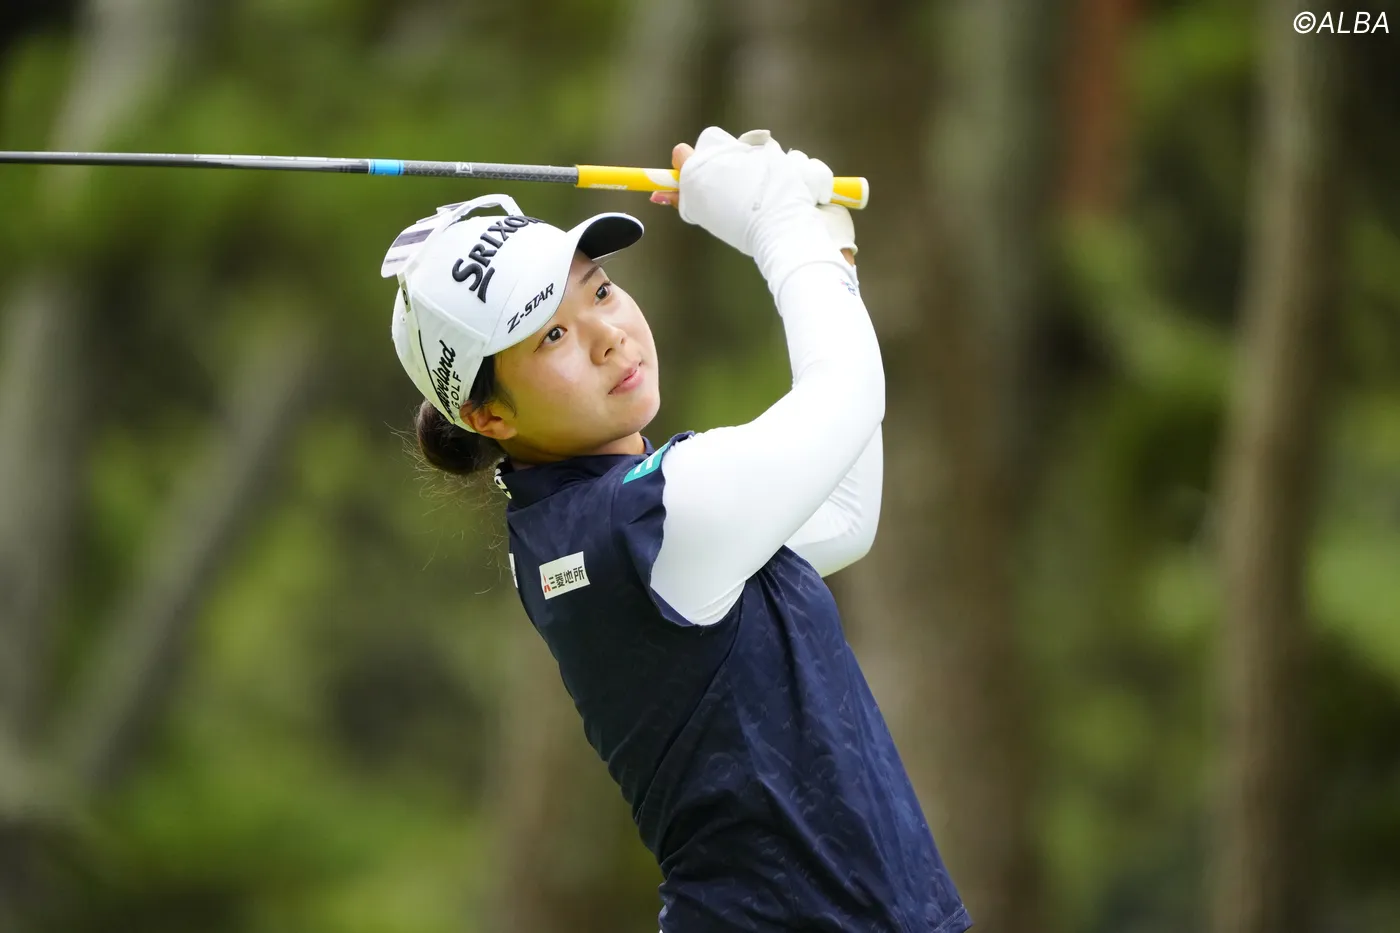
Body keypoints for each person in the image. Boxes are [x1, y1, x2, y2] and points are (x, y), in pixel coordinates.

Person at [383, 127, 970, 933]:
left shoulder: (571, 526)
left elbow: (840, 515)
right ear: (488, 416)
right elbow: (847, 396)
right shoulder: (647, 518)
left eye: (598, 291)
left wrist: (826, 251)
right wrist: (777, 225)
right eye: (551, 334)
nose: (608, 335)